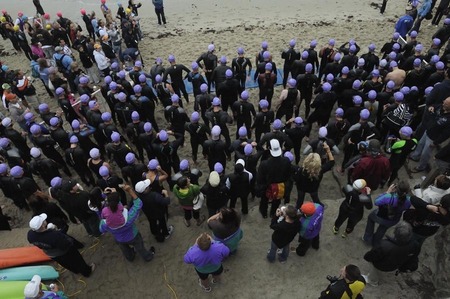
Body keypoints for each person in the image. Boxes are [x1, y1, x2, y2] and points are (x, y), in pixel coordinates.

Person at [27, 213, 95, 277]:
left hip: (51, 254)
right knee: (77, 260)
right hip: (64, 252)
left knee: (67, 264)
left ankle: (76, 271)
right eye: (43, 221)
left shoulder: (30, 235)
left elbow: (40, 243)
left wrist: (49, 231)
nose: (45, 220)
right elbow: (65, 244)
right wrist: (56, 231)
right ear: (42, 225)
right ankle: (87, 272)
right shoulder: (52, 235)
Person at [99, 184, 155, 262]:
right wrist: (130, 190)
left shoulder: (104, 223)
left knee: (125, 249)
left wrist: (108, 196)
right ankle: (147, 257)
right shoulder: (128, 218)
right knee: (140, 247)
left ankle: (130, 257)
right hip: (133, 236)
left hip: (119, 239)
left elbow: (102, 230)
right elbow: (138, 204)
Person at [363, 221, 420, 286]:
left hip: (382, 265)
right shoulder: (415, 244)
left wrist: (367, 257)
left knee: (374, 268)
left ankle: (372, 281)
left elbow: (370, 256)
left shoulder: (384, 245)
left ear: (395, 232)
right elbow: (414, 256)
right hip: (397, 265)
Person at [363, 181, 412, 247]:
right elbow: (406, 207)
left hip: (381, 216)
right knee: (383, 228)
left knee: (371, 218)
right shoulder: (409, 200)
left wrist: (387, 192)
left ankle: (367, 238)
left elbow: (376, 202)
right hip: (394, 219)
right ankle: (376, 242)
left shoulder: (388, 197)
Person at [256, 139, 292, 218]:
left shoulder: (264, 164)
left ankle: (264, 213)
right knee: (277, 200)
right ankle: (273, 213)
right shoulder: (286, 161)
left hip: (267, 186)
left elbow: (260, 179)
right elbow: (288, 175)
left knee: (264, 200)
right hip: (280, 186)